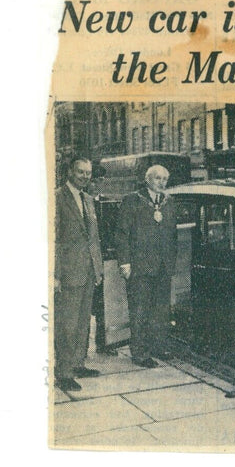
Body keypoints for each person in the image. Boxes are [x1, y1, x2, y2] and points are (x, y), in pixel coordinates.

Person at [115, 164, 178, 368]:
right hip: (140, 267)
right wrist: (124, 262)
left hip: (162, 267)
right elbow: (122, 234)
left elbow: (172, 236)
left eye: (165, 179)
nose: (162, 182)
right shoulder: (133, 200)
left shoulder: (169, 202)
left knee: (161, 311)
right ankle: (140, 353)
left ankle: (159, 346)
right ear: (147, 179)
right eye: (158, 178)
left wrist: (171, 263)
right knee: (140, 311)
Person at [54, 158, 104, 391]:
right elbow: (52, 239)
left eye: (88, 173)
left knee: (84, 321)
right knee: (67, 323)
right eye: (80, 172)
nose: (85, 176)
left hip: (88, 271)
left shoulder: (88, 200)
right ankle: (63, 372)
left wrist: (98, 268)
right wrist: (54, 274)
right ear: (70, 172)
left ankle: (78, 363)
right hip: (68, 273)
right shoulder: (57, 198)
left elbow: (93, 238)